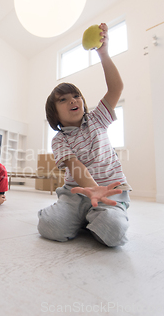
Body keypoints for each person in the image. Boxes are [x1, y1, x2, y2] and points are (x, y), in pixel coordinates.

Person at [37, 23, 132, 247]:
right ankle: (80, 216)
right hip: (76, 193)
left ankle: (96, 218)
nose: (73, 100)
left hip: (110, 190)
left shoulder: (98, 118)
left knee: (114, 234)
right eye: (63, 99)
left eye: (76, 95)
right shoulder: (59, 139)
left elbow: (116, 88)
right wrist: (90, 190)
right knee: (48, 227)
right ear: (54, 114)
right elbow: (74, 164)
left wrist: (103, 53)